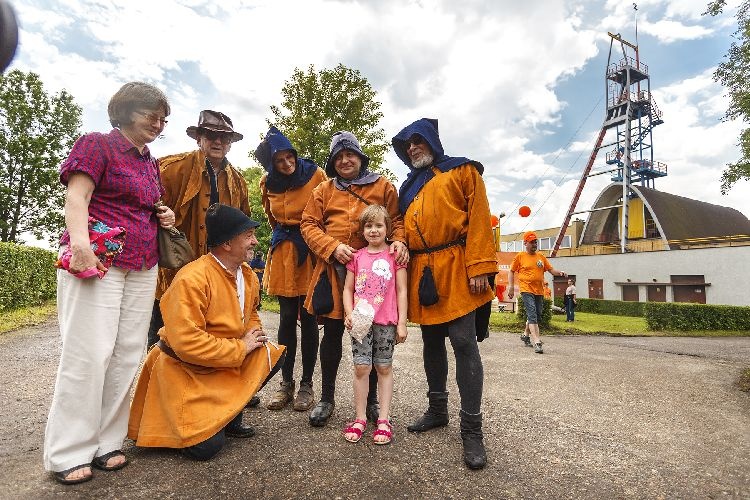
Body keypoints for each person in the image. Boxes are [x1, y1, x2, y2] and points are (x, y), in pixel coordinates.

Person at [44, 82, 175, 485]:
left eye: (163, 119)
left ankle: (107, 441)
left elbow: (145, 205)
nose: (158, 124)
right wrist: (79, 244)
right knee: (89, 352)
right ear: (125, 110)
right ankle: (69, 450)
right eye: (151, 115)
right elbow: (77, 197)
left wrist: (164, 215)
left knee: (126, 354)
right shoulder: (97, 144)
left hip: (143, 263)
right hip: (100, 259)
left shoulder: (150, 162)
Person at [128, 204, 286, 461]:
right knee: (205, 449)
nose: (255, 241)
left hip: (221, 363)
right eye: (248, 236)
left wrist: (253, 335)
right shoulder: (191, 278)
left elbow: (251, 313)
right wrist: (241, 347)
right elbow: (187, 343)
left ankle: (229, 415)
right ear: (227, 243)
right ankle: (181, 422)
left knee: (271, 355)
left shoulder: (247, 275)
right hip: (187, 370)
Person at [392, 118, 497, 470]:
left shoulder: (462, 170)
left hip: (457, 264)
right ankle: (437, 410)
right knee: (432, 341)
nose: (412, 148)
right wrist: (400, 241)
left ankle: (472, 430)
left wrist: (479, 265)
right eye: (407, 145)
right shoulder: (408, 186)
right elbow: (399, 224)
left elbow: (480, 217)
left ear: (432, 141)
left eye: (418, 141)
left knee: (463, 341)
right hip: (423, 269)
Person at [301, 131, 407, 427]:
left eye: (350, 155)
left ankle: (372, 401)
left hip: (372, 275)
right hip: (334, 271)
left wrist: (399, 241)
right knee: (333, 332)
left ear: (360, 157)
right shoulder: (323, 190)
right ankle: (326, 399)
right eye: (339, 157)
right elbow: (308, 224)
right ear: (332, 162)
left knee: (371, 334)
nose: (345, 160)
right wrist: (332, 247)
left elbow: (396, 220)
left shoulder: (382, 185)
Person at [146, 110, 251, 350]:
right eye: (211, 135)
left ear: (230, 143)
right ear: (199, 138)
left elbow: (244, 224)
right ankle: (156, 373)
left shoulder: (238, 181)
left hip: (217, 274)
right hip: (176, 269)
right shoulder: (171, 168)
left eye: (224, 138)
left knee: (209, 337)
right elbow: (145, 205)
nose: (218, 142)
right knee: (164, 338)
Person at [254, 126, 327, 411]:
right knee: (286, 317)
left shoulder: (315, 174)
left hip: (309, 249)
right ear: (271, 164)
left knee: (308, 316)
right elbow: (271, 218)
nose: (287, 164)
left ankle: (307, 384)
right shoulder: (266, 183)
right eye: (279, 160)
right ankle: (286, 383)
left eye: (289, 157)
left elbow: (327, 209)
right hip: (283, 250)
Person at [342, 205, 408, 445]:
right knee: (361, 368)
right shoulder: (357, 257)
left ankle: (383, 419)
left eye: (379, 225)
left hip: (386, 321)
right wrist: (348, 313)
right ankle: (360, 418)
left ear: (387, 228)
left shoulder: (394, 256)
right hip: (361, 322)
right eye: (368, 226)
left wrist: (402, 323)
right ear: (362, 230)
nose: (373, 230)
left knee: (384, 367)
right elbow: (347, 289)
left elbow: (402, 290)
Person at [508, 231, 568, 354]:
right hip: (526, 289)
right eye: (532, 242)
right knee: (532, 314)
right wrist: (511, 287)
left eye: (535, 242)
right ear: (525, 243)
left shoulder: (541, 257)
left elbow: (551, 270)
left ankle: (525, 335)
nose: (534, 244)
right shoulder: (520, 256)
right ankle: (537, 342)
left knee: (537, 314)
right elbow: (511, 271)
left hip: (539, 291)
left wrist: (560, 273)